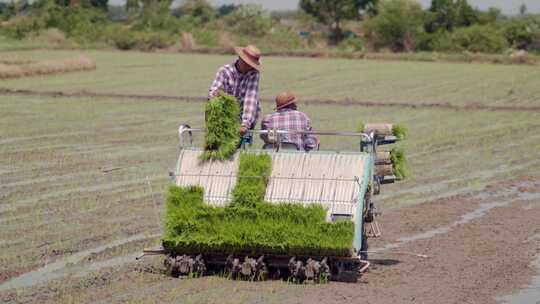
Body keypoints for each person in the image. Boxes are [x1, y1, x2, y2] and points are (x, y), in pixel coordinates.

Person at [208, 45, 262, 136]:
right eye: (246, 63)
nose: (249, 66)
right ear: (240, 58)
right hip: (226, 113)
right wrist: (215, 94)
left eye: (251, 64)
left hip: (246, 114)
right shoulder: (224, 71)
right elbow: (213, 92)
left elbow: (250, 98)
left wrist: (245, 124)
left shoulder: (254, 73)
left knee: (244, 144)